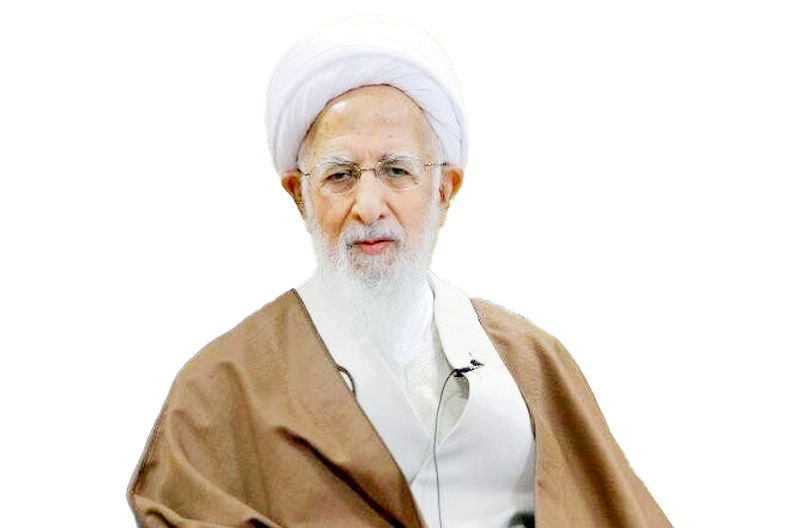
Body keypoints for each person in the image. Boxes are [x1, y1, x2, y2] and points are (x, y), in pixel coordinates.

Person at [128, 15, 671, 528]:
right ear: (299, 195)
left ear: (444, 190)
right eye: (341, 175)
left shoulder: (534, 363)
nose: (369, 207)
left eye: (395, 171)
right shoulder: (218, 393)